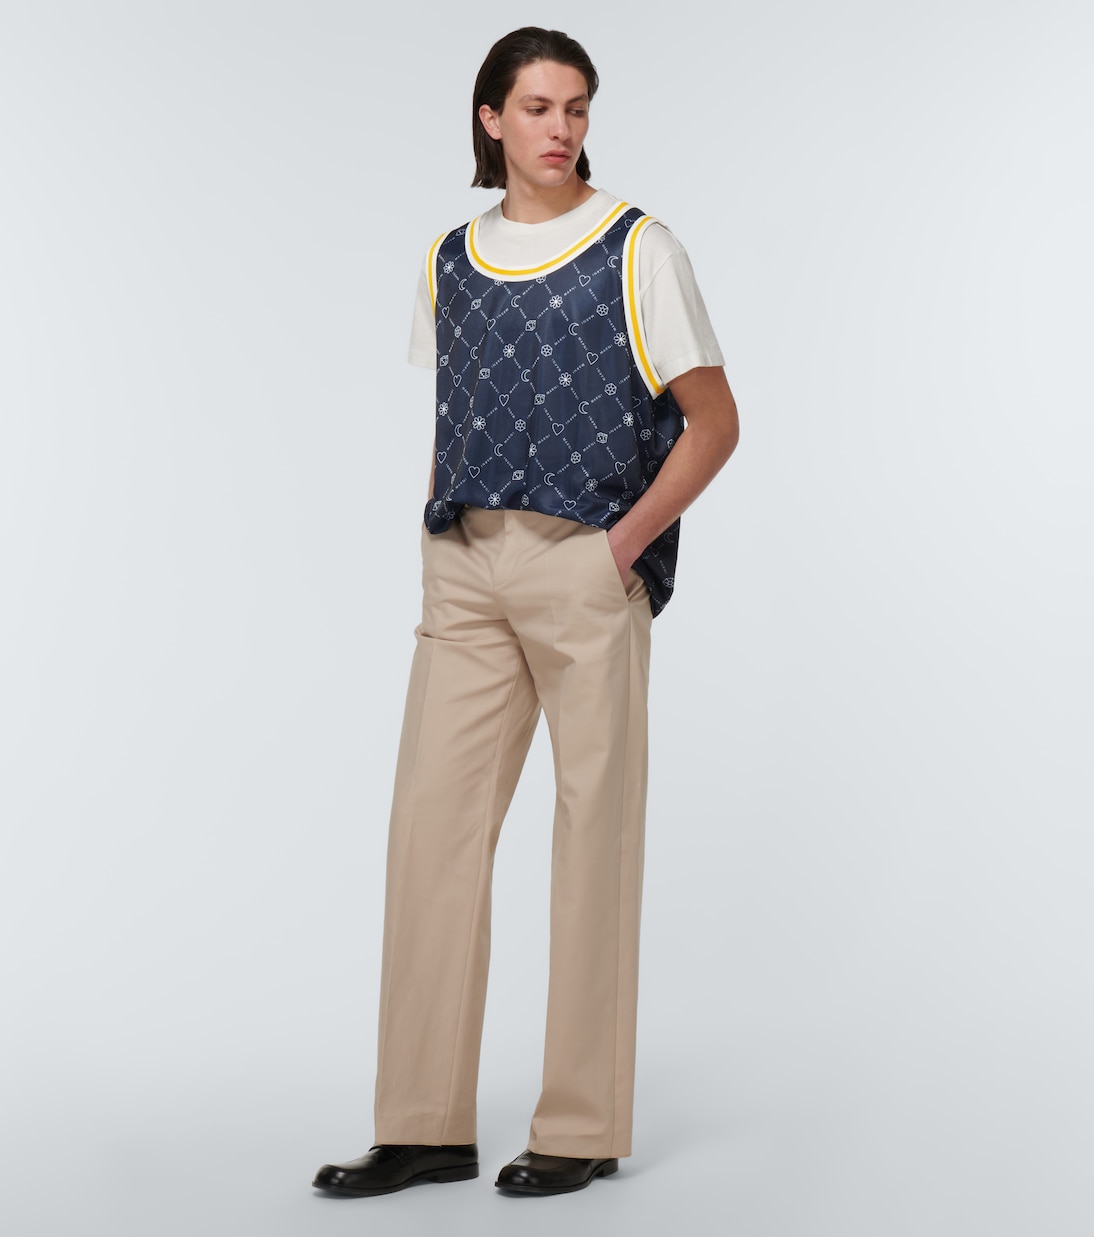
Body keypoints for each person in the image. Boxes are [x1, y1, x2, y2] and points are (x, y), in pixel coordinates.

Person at [313, 26, 738, 1199]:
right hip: (462, 563)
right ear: (489, 119)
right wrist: (443, 539)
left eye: (577, 107)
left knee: (592, 835)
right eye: (539, 107)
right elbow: (460, 404)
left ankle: (582, 1123)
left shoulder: (638, 247)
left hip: (582, 562)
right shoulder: (450, 258)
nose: (561, 127)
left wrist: (620, 549)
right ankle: (422, 1124)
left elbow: (713, 422)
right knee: (430, 832)